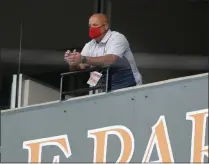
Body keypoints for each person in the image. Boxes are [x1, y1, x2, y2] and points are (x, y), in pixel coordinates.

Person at [64, 13, 142, 90]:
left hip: (128, 88)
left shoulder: (117, 37)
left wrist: (83, 59)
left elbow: (111, 59)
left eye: (95, 25)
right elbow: (78, 68)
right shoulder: (89, 45)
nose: (91, 28)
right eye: (90, 26)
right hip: (100, 92)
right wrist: (73, 61)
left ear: (105, 26)